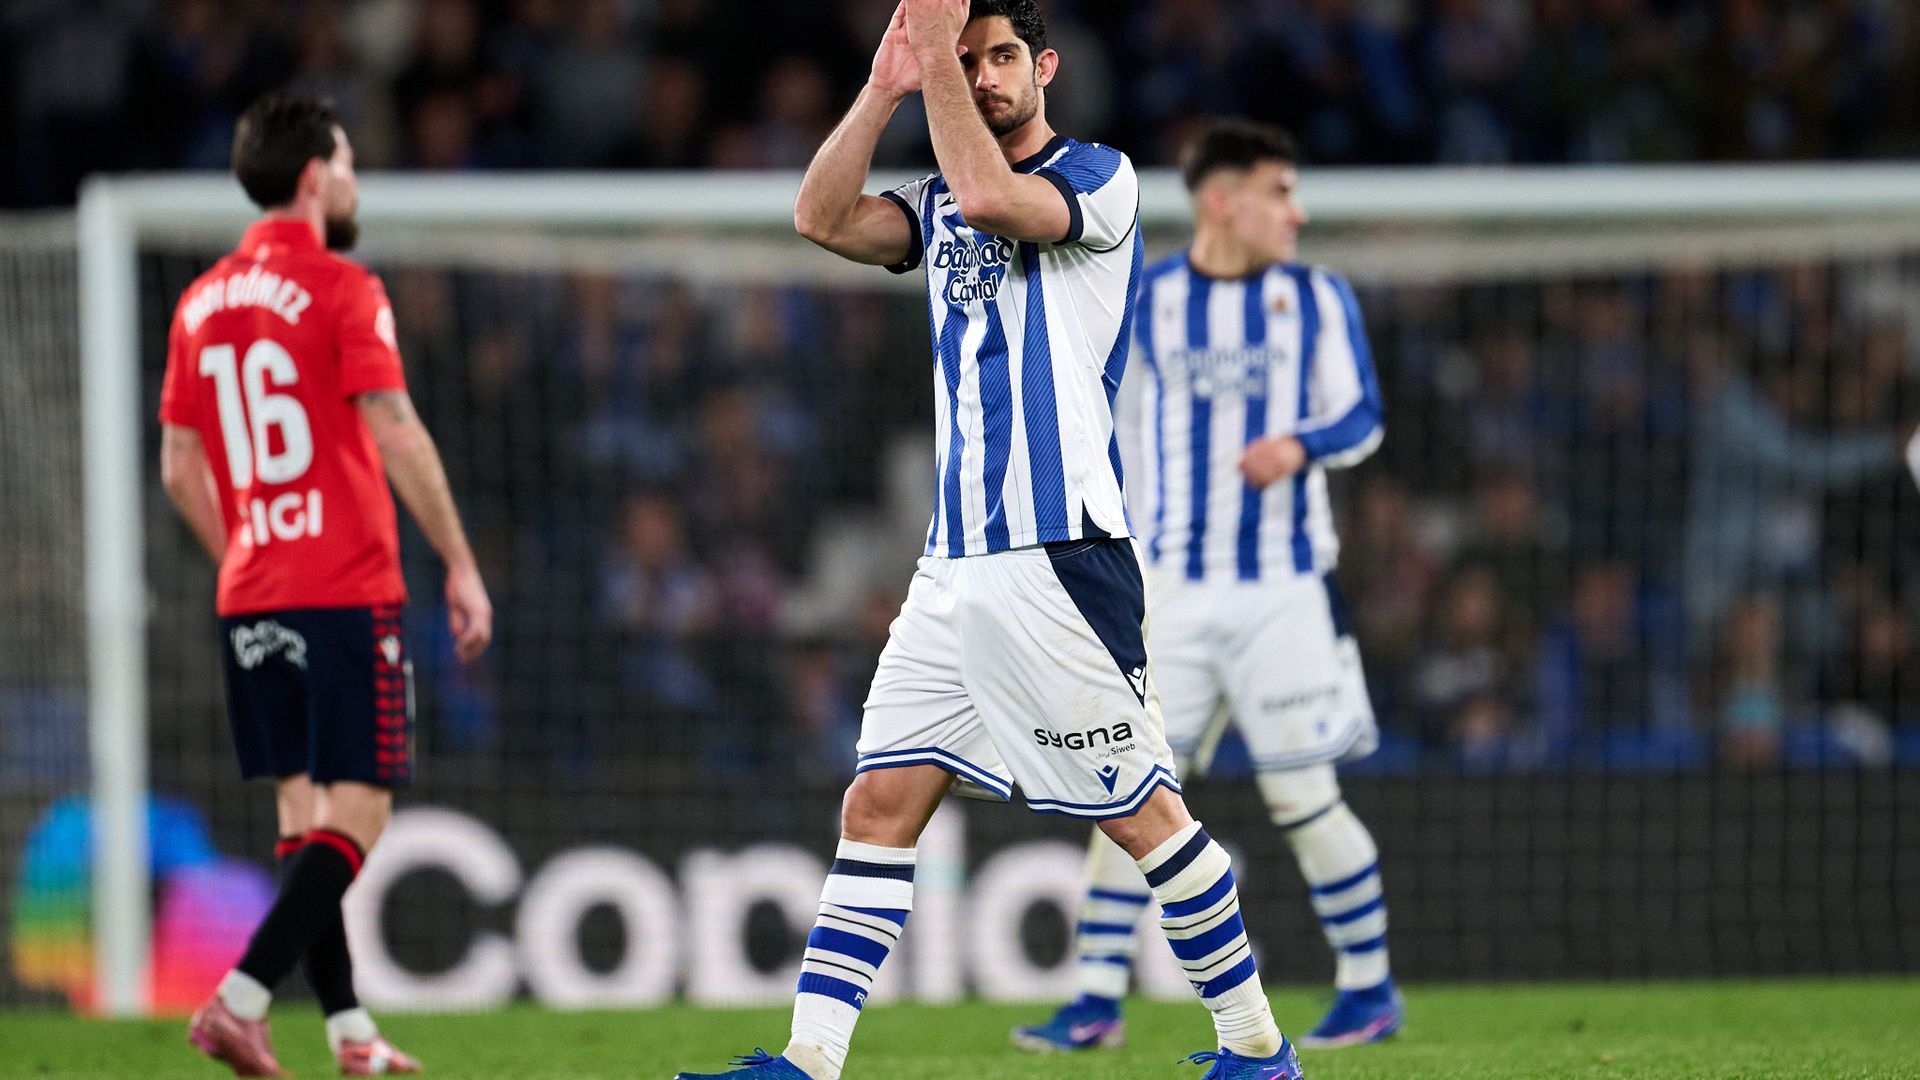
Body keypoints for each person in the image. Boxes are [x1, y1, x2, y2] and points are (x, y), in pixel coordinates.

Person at [673, 3, 1303, 1079]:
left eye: (1002, 58)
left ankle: (1257, 1047)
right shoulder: (938, 202)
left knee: (1145, 816)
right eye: (966, 64)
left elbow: (989, 195)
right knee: (877, 800)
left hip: (1057, 556)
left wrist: (934, 46)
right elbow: (819, 218)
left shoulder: (1101, 179)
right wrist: (884, 85)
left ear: (1045, 66)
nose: (984, 77)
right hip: (953, 564)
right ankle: (809, 1061)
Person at [1013, 120, 1404, 1054]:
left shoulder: (1317, 299)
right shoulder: (1143, 297)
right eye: (1280, 191)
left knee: (1303, 797)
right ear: (1221, 200)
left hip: (1283, 590)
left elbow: (1363, 415)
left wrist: (1300, 445)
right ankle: (1097, 1000)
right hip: (1170, 595)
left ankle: (1369, 988)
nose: (1297, 212)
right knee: (1128, 794)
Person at [160, 94, 493, 1078]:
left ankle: (350, 1038)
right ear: (314, 176)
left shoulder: (199, 301)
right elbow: (393, 424)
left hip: (252, 589)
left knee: (303, 823)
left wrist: (246, 548)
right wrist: (462, 562)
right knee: (361, 811)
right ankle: (240, 1000)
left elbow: (181, 467)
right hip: (341, 588)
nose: (353, 181)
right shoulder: (344, 285)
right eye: (346, 163)